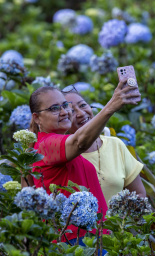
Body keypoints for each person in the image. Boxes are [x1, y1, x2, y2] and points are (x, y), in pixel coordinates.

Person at [28, 80, 139, 244]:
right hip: (73, 242)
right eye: (54, 108)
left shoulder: (60, 145)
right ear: (37, 118)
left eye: (65, 105)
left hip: (95, 239)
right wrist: (111, 107)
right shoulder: (46, 145)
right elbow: (80, 142)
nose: (65, 112)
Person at [61, 85, 146, 205]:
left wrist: (119, 220)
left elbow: (139, 194)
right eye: (72, 111)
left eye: (83, 105)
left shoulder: (115, 144)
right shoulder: (62, 152)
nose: (81, 113)